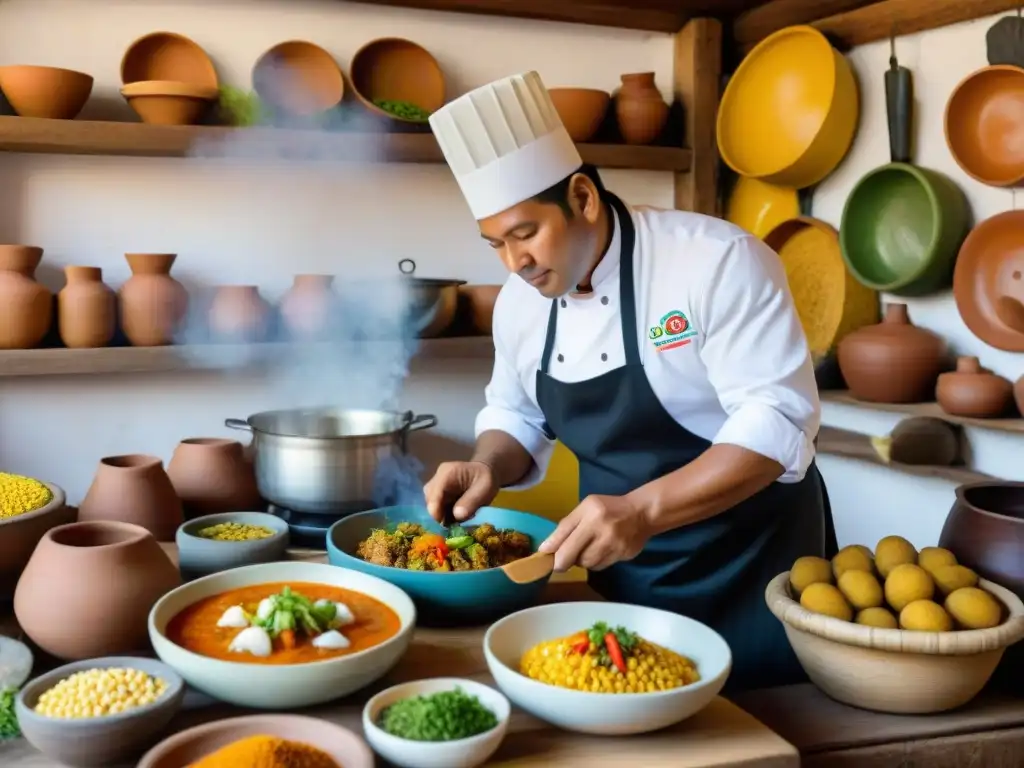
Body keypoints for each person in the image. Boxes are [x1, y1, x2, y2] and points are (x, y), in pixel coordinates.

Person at [423, 71, 838, 692]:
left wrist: (642, 510)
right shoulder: (518, 302)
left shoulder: (716, 261)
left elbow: (776, 422)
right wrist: (489, 465)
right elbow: (516, 417)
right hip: (623, 572)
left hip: (755, 567)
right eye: (495, 246)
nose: (516, 264)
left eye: (526, 233)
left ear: (583, 198)